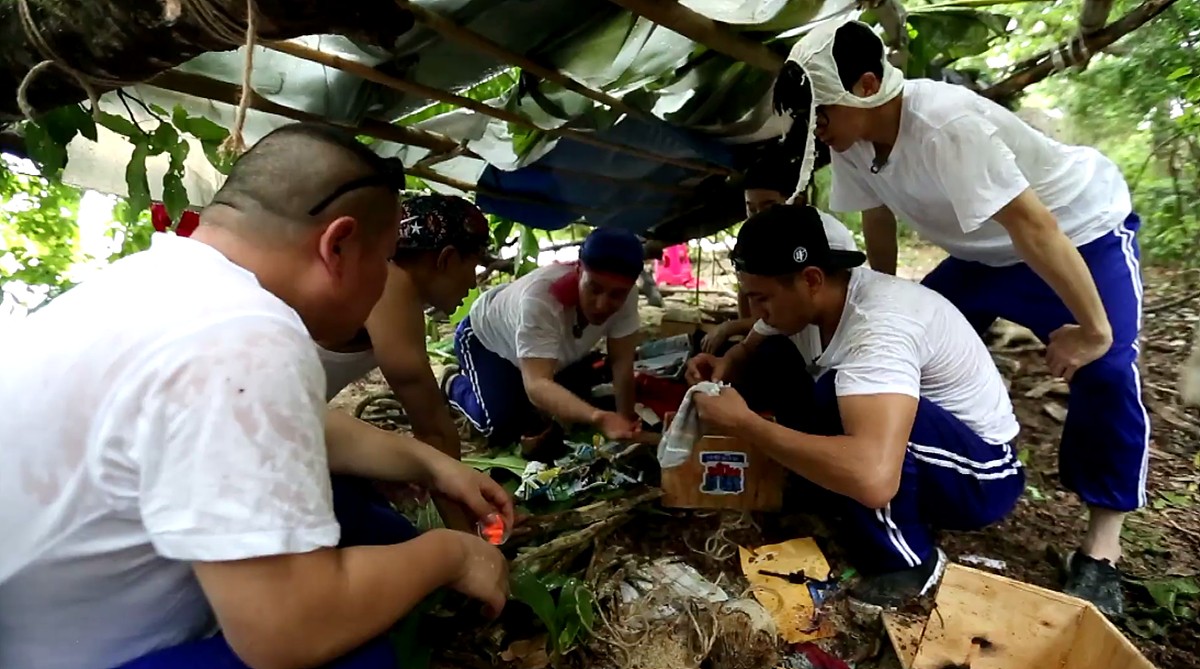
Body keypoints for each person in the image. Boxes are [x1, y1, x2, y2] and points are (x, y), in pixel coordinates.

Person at [0, 123, 512, 669]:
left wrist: (428, 462)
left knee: (347, 513)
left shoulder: (156, 284)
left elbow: (294, 427)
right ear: (337, 246)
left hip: (35, 617)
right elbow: (289, 632)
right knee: (352, 653)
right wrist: (451, 554)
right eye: (382, 261)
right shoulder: (246, 335)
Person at [772, 17, 1145, 615]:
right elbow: (876, 219)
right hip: (981, 250)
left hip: (1077, 232)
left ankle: (1102, 549)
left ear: (867, 86)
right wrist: (876, 312)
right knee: (919, 333)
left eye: (821, 114)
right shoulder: (853, 138)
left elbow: (1035, 226)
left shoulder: (947, 122)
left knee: (1105, 373)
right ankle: (916, 460)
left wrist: (1094, 332)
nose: (817, 131)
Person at [688, 205, 1023, 610]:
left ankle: (911, 562)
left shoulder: (877, 327)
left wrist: (744, 424)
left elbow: (874, 477)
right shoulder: (811, 298)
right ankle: (825, 490)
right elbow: (753, 344)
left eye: (761, 298)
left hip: (982, 475)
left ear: (811, 279)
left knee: (844, 399)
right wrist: (728, 363)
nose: (756, 312)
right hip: (930, 452)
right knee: (777, 358)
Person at [317, 194, 491, 531]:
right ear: (447, 258)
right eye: (473, 266)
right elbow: (435, 432)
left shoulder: (381, 281)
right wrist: (471, 535)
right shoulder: (390, 284)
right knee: (394, 539)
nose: (472, 281)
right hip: (248, 441)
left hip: (282, 425)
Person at [445, 227, 644, 447]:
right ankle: (453, 383)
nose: (601, 305)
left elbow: (622, 362)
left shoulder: (628, 298)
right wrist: (599, 417)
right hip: (486, 340)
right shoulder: (543, 300)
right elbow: (537, 385)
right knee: (499, 426)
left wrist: (626, 422)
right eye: (594, 289)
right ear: (578, 270)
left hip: (546, 356)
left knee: (578, 399)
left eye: (616, 295)